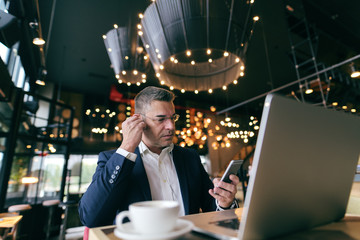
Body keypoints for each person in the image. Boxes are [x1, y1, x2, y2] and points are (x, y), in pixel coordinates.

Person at [78, 86, 239, 227]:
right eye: (161, 119)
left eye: (173, 118)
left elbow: (210, 206)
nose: (170, 126)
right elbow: (90, 218)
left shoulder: (190, 157)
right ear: (139, 121)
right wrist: (127, 147)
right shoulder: (112, 159)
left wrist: (224, 203)